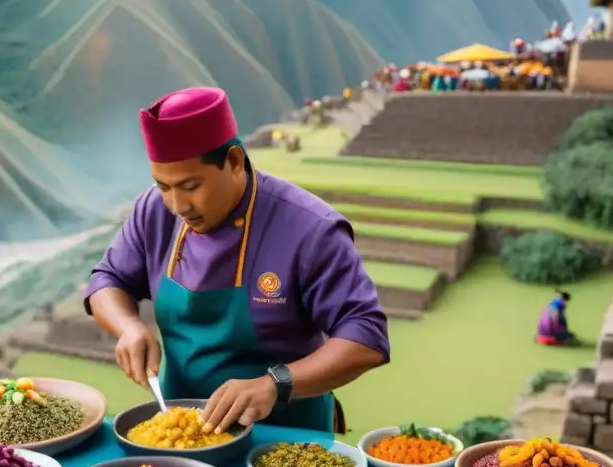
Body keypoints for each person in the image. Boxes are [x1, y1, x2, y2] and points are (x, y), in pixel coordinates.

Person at [84, 87, 390, 434]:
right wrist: (129, 327)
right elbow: (107, 279)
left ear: (233, 162)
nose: (178, 206)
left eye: (190, 185)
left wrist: (275, 384)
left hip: (285, 438)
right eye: (163, 186)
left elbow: (366, 335)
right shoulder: (153, 210)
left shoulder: (311, 229)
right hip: (183, 431)